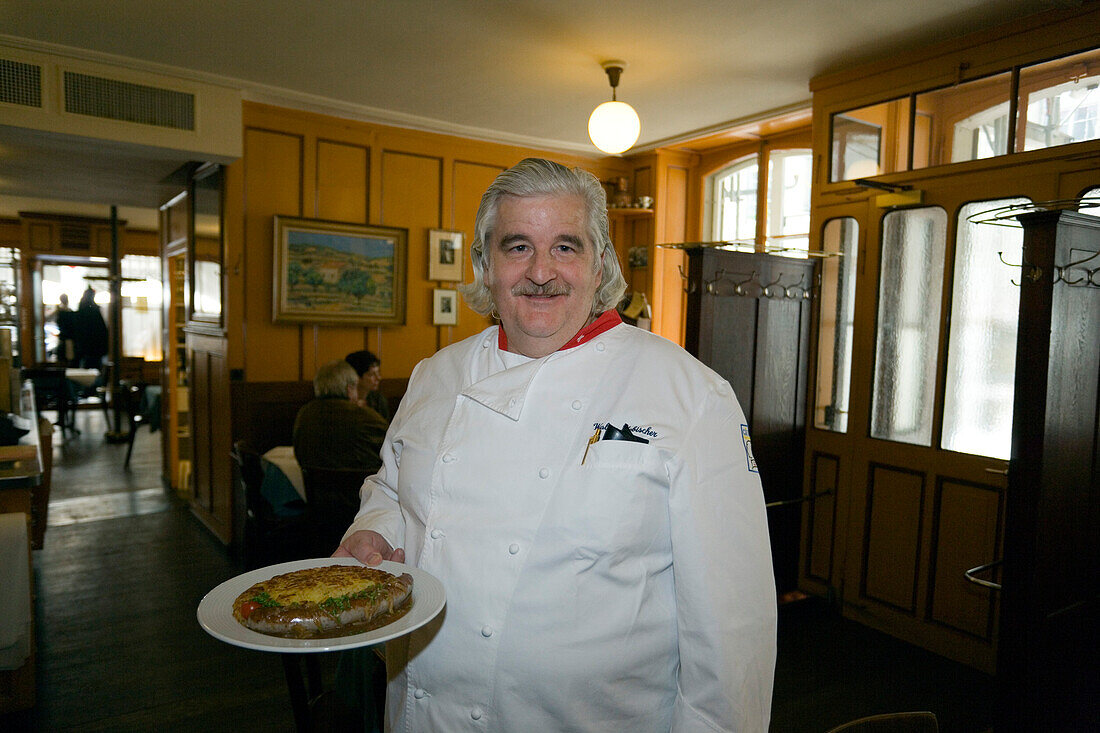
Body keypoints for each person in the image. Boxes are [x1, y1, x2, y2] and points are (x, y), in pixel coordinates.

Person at [336, 158, 777, 732]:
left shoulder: (691, 397)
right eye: (517, 246)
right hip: (422, 713)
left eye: (566, 247)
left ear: (601, 266)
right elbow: (392, 486)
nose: (541, 272)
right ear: (484, 265)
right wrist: (373, 529)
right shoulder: (434, 375)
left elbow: (732, 630)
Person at [293, 359, 388, 473]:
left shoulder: (305, 414)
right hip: (360, 487)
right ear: (349, 389)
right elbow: (390, 452)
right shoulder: (367, 417)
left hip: (318, 488)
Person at [345, 349, 390, 422]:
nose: (378, 378)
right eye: (371, 374)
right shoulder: (343, 401)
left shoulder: (378, 400)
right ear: (356, 377)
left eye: (378, 372)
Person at [72, 286, 108, 370]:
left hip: (85, 346)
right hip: (95, 346)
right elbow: (101, 329)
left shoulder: (82, 308)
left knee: (86, 366)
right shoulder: (95, 310)